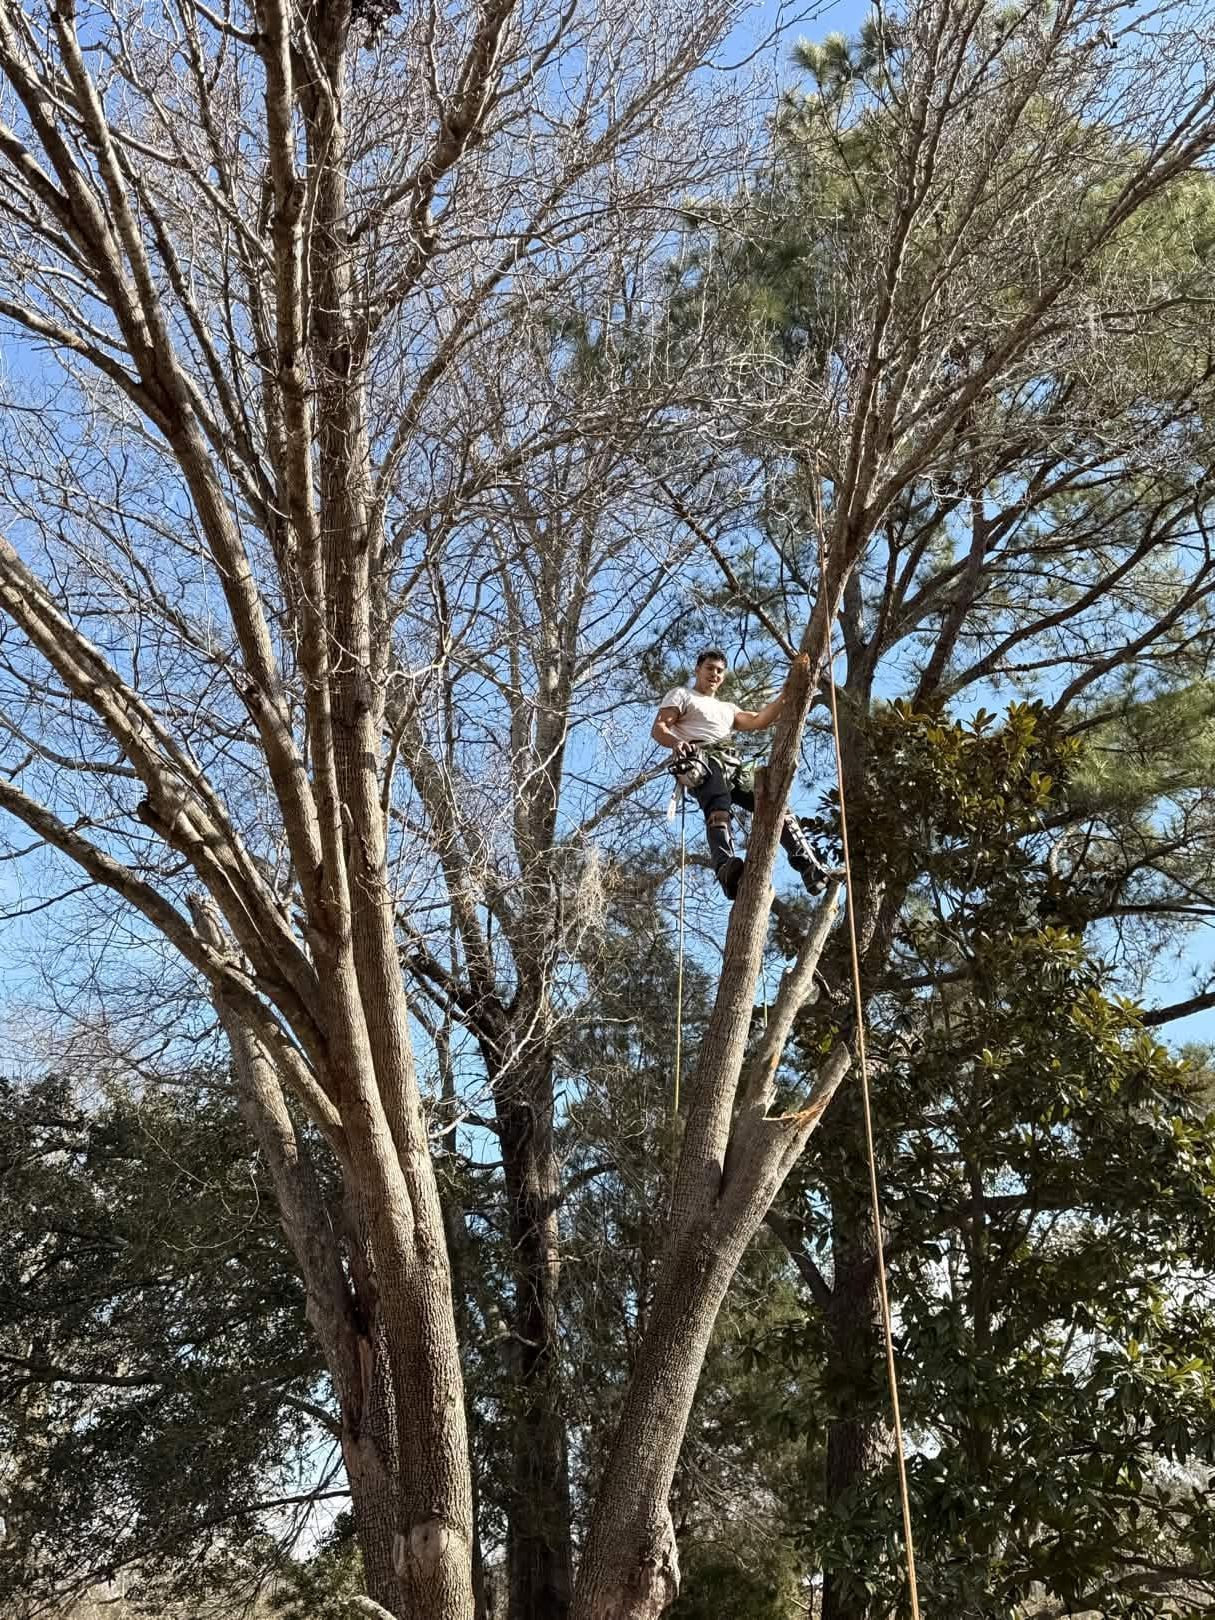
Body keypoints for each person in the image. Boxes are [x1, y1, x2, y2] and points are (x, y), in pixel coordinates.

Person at [652, 648, 831, 900]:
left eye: (719, 671)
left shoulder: (727, 708)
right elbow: (659, 728)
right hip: (702, 758)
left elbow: (759, 720)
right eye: (709, 668)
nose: (714, 674)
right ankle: (725, 868)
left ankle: (808, 865)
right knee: (719, 805)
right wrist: (675, 742)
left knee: (776, 802)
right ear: (698, 669)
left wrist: (785, 694)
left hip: (733, 763)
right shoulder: (682, 695)